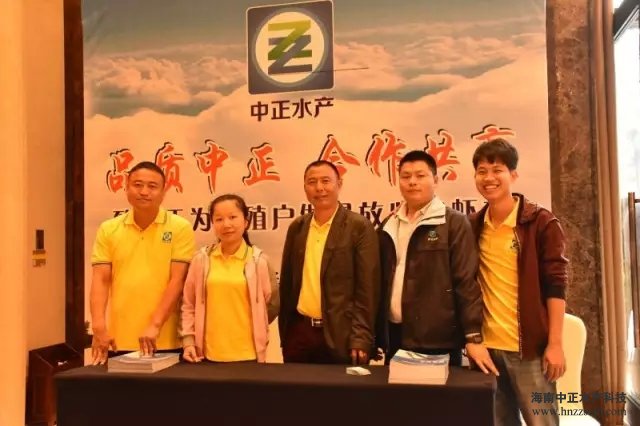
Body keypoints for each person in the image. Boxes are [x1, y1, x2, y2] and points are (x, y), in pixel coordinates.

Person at [469, 138, 568, 426]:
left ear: (513, 175)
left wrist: (555, 344)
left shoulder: (541, 223)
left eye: (497, 170)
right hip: (487, 352)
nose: (489, 178)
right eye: (482, 171)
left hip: (530, 351)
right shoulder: (473, 225)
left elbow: (556, 285)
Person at [376, 150, 497, 372]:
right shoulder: (388, 224)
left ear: (435, 180)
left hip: (438, 340)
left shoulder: (453, 223)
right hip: (395, 336)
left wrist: (473, 336)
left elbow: (466, 282)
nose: (412, 182)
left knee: (436, 396)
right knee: (397, 395)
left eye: (420, 175)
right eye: (406, 176)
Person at [90, 161, 195, 364]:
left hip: (164, 339)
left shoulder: (180, 227)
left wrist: (155, 325)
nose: (144, 192)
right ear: (126, 187)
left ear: (163, 192)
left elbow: (177, 281)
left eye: (152, 186)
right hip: (118, 340)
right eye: (137, 185)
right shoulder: (108, 229)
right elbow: (100, 279)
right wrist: (98, 326)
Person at [279, 160, 380, 364]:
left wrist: (361, 338)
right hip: (300, 334)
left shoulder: (359, 227)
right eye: (312, 182)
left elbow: (368, 289)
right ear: (305, 188)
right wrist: (286, 333)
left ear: (339, 184)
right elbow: (287, 284)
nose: (319, 188)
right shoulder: (297, 227)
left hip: (342, 336)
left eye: (326, 181)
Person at [180, 194, 279, 363]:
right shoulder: (201, 260)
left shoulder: (259, 261)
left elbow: (272, 305)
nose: (226, 224)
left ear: (246, 221)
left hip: (249, 354)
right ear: (212, 224)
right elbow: (188, 304)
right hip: (206, 354)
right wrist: (188, 340)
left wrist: (257, 325)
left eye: (233, 217)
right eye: (219, 219)